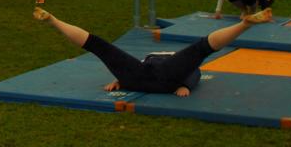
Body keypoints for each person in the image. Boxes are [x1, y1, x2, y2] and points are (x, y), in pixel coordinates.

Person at [34, 7, 272, 96]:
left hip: (144, 79)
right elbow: (194, 72)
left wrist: (121, 80)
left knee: (99, 46)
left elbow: (193, 73)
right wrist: (185, 85)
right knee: (201, 49)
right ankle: (244, 24)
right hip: (159, 80)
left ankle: (53, 20)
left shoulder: (157, 61)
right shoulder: (176, 63)